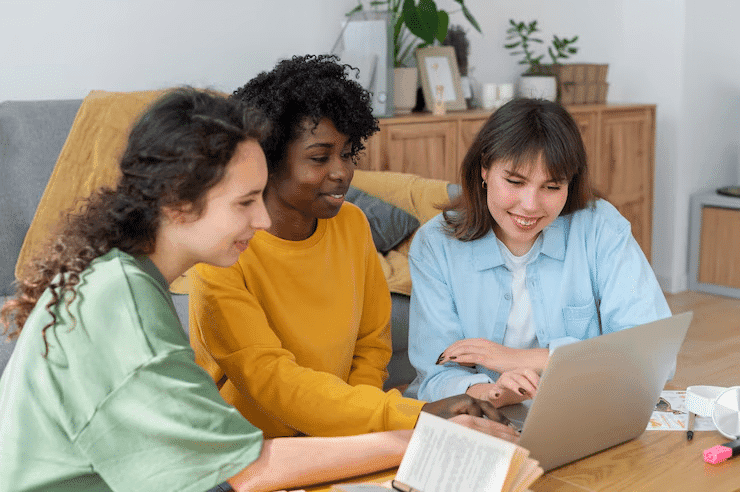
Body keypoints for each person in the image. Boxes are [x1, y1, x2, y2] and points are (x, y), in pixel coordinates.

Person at [0, 88, 517, 492]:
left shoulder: (125, 279)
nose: (264, 217)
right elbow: (245, 470)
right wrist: (425, 437)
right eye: (245, 201)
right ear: (179, 202)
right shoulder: (122, 304)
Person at [188, 54, 502, 438]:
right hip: (250, 450)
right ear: (266, 160)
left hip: (340, 437)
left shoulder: (352, 224)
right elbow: (274, 383)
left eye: (349, 153)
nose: (342, 173)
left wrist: (357, 422)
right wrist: (413, 414)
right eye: (320, 157)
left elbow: (371, 344)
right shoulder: (221, 255)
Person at [405, 97, 672, 407]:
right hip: (479, 417)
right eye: (515, 182)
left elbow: (653, 354)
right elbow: (435, 376)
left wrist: (518, 359)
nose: (530, 205)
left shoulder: (600, 227)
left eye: (552, 186)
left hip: (579, 407)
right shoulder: (436, 245)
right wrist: (492, 392)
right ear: (484, 169)